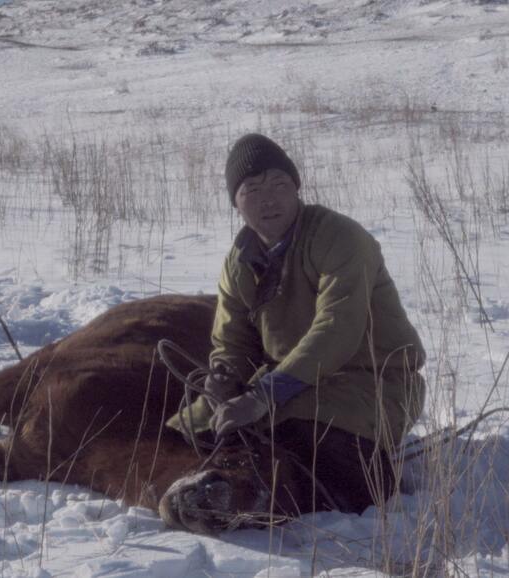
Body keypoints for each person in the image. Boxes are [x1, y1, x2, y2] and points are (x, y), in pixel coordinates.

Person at [167, 133, 426, 510]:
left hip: (374, 381)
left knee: (304, 436)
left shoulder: (340, 238)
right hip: (291, 382)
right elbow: (231, 341)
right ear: (235, 203)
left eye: (279, 184)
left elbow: (337, 328)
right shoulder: (238, 263)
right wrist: (223, 377)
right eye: (252, 190)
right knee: (188, 429)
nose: (268, 199)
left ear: (297, 188)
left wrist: (262, 397)